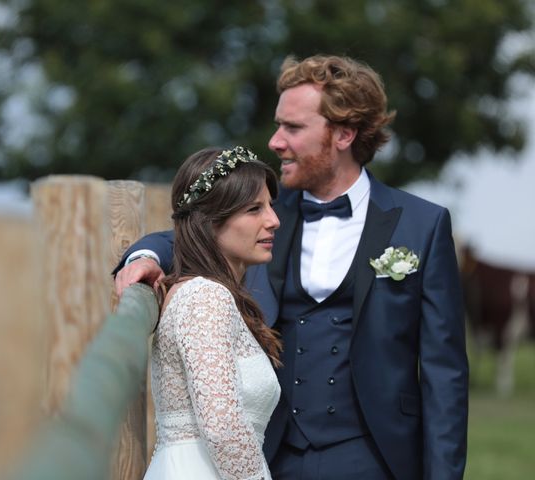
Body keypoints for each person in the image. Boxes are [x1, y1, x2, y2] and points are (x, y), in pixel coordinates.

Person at [116, 55, 468, 480]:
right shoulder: (263, 219)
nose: (275, 142)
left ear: (344, 133)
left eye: (293, 128)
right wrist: (145, 258)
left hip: (377, 457)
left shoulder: (422, 225)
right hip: (270, 454)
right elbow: (192, 230)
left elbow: (444, 374)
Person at [142, 146, 282, 479]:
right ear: (210, 221)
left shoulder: (205, 293)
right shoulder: (205, 297)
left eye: (270, 207)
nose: (274, 220)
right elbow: (222, 427)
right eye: (253, 209)